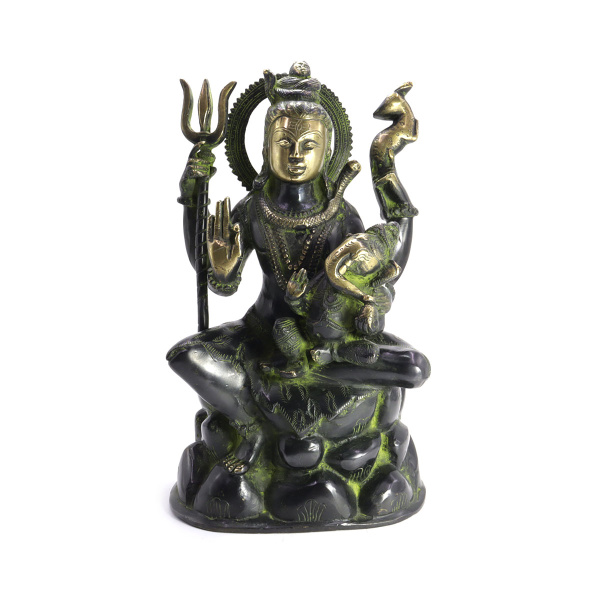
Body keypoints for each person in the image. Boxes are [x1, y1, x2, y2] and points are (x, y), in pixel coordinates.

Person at [167, 63, 429, 474]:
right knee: (186, 355)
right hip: (260, 334)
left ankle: (286, 393)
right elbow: (216, 280)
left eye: (308, 145)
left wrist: (364, 310)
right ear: (265, 147)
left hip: (325, 341)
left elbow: (373, 275)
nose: (295, 156)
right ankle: (251, 428)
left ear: (327, 152)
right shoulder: (253, 210)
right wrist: (215, 252)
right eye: (283, 143)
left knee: (411, 366)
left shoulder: (341, 217)